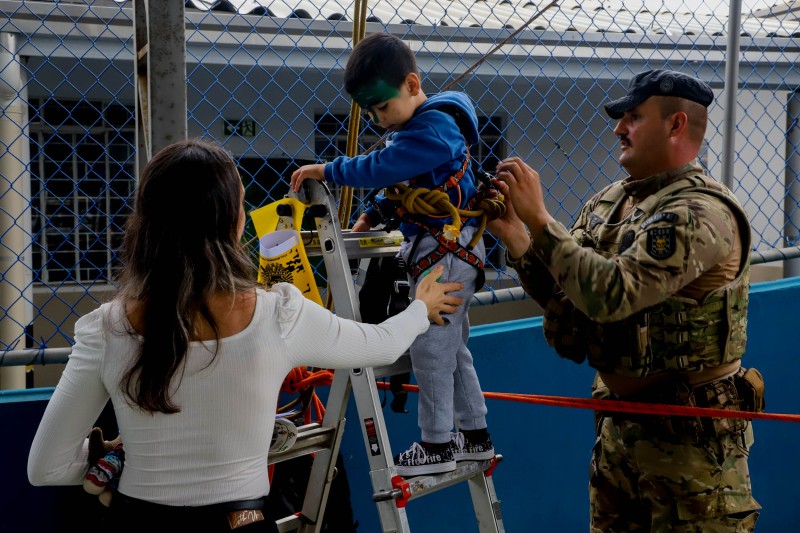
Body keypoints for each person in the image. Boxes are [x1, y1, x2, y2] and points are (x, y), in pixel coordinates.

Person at [27, 138, 464, 531]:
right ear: (235, 222)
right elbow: (381, 344)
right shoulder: (279, 315)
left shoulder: (105, 328)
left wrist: (110, 464)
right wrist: (420, 309)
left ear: (145, 222)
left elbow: (45, 467)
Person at [488, 69, 763, 531]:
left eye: (634, 117)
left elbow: (610, 295)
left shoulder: (702, 214)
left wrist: (539, 220)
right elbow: (569, 294)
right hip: (619, 435)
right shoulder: (610, 203)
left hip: (690, 457)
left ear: (676, 125)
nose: (619, 128)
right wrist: (517, 236)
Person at [290, 32, 495, 477]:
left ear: (412, 84)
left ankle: (437, 444)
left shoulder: (434, 129)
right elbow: (400, 190)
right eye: (373, 112)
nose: (381, 120)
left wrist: (330, 170)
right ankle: (474, 435)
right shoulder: (414, 133)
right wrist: (369, 217)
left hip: (447, 253)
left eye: (384, 107)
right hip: (449, 251)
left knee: (431, 349)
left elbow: (385, 168)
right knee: (453, 350)